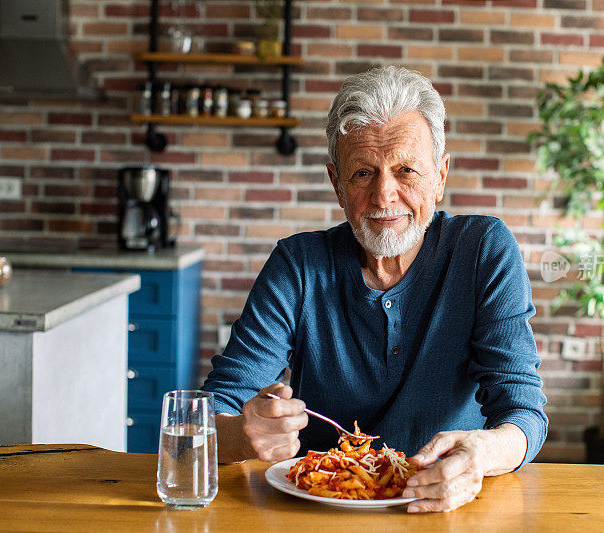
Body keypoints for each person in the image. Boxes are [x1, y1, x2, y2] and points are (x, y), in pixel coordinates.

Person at [202, 66, 547, 513]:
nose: (385, 195)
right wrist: (240, 434)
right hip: (320, 507)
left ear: (440, 176)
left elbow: (524, 412)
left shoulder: (483, 249)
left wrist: (481, 453)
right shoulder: (298, 264)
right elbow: (213, 409)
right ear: (337, 185)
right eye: (363, 173)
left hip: (451, 506)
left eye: (406, 170)